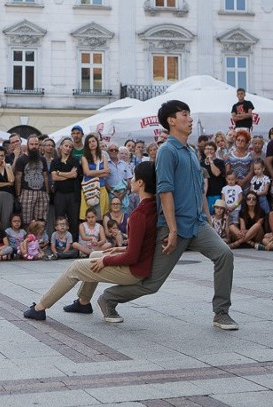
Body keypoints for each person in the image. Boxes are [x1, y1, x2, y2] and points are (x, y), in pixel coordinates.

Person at [101, 100, 237, 329]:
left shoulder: (192, 151)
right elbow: (165, 191)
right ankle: (109, 298)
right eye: (185, 114)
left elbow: (198, 190)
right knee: (152, 284)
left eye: (190, 114)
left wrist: (208, 219)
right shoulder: (166, 151)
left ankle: (221, 313)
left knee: (224, 254)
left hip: (197, 223)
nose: (190, 119)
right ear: (172, 121)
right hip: (173, 226)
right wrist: (172, 230)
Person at [24, 160, 159, 321]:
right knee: (95, 255)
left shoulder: (139, 214)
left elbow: (132, 257)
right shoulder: (152, 207)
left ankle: (39, 308)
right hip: (140, 266)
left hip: (134, 271)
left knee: (75, 267)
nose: (130, 180)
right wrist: (119, 249)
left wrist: (107, 260)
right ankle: (83, 302)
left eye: (133, 176)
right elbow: (143, 245)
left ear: (141, 183)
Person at [14, 136, 50, 225]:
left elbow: (45, 176)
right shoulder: (21, 159)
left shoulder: (43, 159)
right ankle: (27, 238)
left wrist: (47, 192)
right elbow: (18, 177)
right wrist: (18, 194)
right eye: (32, 144)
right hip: (27, 192)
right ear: (27, 145)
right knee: (26, 220)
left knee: (41, 220)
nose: (34, 146)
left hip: (42, 192)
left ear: (39, 145)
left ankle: (38, 239)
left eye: (36, 144)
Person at [50, 138, 80, 238]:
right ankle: (59, 242)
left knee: (74, 220)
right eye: (66, 146)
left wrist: (60, 173)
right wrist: (68, 174)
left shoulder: (75, 160)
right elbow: (54, 177)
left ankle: (74, 243)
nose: (68, 148)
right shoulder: (55, 162)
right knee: (59, 219)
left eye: (70, 147)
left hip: (73, 194)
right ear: (61, 146)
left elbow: (74, 175)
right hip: (59, 194)